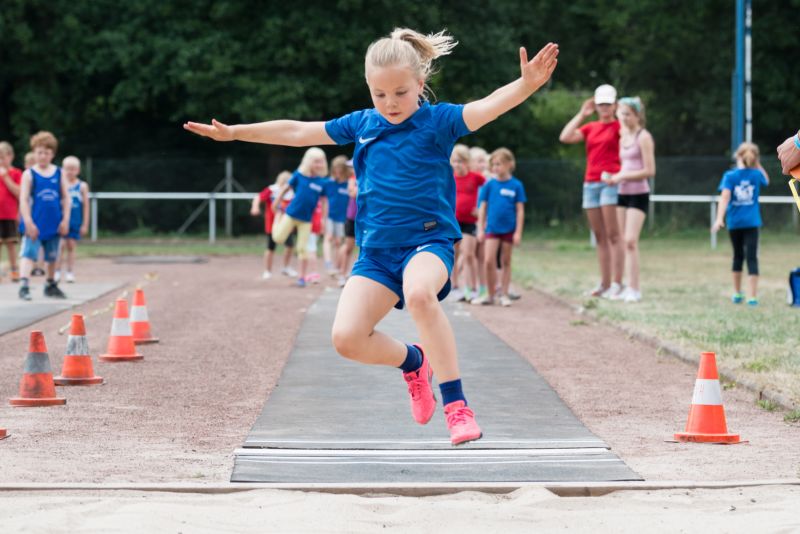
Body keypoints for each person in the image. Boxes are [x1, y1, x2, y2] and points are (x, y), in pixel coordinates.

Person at [185, 28, 558, 446]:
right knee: (346, 339)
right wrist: (236, 132)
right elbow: (297, 132)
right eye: (379, 94)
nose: (390, 103)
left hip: (427, 243)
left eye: (400, 93)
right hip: (377, 254)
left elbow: (488, 106)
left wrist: (526, 85)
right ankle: (414, 362)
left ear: (420, 83)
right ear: (368, 88)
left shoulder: (439, 122)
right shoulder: (362, 124)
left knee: (420, 294)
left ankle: (457, 406)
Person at [559, 84, 624, 298]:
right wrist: (582, 114)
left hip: (611, 183)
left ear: (614, 105)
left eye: (608, 104)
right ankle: (604, 283)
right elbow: (565, 137)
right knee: (599, 236)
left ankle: (617, 284)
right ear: (595, 105)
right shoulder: (591, 127)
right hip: (590, 184)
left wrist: (621, 115)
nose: (604, 108)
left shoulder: (620, 126)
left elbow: (631, 138)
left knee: (614, 235)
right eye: (601, 104)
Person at [602, 97, 655, 303]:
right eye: (622, 114)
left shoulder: (644, 137)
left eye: (628, 114)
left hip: (638, 194)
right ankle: (625, 286)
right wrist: (613, 177)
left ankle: (635, 288)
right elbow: (625, 166)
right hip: (622, 192)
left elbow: (649, 170)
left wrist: (623, 176)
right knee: (623, 241)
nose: (624, 118)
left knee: (631, 241)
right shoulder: (623, 136)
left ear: (637, 116)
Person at [712, 142, 769, 306]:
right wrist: (757, 163)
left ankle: (737, 293)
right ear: (755, 158)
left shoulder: (730, 176)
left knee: (737, 256)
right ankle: (752, 297)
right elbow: (766, 180)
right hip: (752, 222)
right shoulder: (756, 174)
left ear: (738, 156)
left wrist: (719, 218)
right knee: (752, 258)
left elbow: (724, 198)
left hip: (735, 222)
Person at [18, 131, 70, 300]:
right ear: (34, 153)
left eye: (46, 153)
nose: (42, 156)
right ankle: (24, 285)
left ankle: (50, 284)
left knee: (53, 255)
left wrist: (65, 220)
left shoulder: (59, 173)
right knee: (29, 253)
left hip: (54, 222)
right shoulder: (29, 174)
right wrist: (28, 221)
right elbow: (23, 199)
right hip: (35, 223)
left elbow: (66, 198)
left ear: (52, 154)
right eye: (39, 152)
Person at [473, 148, 526, 307]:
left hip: (509, 229)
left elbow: (520, 210)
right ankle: (490, 295)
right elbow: (482, 208)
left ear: (510, 164)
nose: (495, 167)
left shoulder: (516, 185)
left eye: (499, 164)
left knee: (506, 261)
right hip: (492, 229)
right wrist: (480, 229)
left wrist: (518, 232)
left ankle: (504, 294)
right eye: (494, 164)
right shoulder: (489, 185)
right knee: (489, 260)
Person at [269, 147, 329, 288]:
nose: (319, 164)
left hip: (306, 220)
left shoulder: (322, 182)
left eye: (321, 161)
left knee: (303, 249)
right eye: (316, 161)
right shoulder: (299, 175)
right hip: (291, 214)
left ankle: (301, 278)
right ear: (308, 162)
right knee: (278, 238)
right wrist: (277, 202)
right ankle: (278, 216)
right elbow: (285, 188)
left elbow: (324, 202)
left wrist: (323, 220)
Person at [450, 144, 484, 302]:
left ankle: (471, 288)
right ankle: (455, 286)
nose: (457, 165)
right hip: (453, 221)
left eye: (461, 161)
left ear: (467, 162)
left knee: (469, 254)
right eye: (455, 161)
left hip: (470, 222)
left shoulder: (476, 177)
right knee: (454, 254)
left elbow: (489, 192)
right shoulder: (450, 178)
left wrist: (481, 208)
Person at [250, 170, 296, 280]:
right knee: (270, 248)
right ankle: (267, 271)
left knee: (290, 246)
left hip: (286, 224)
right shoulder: (272, 190)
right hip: (272, 225)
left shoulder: (292, 193)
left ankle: (286, 267)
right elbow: (258, 197)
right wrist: (255, 207)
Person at [54, 156, 89, 283]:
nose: (70, 171)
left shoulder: (82, 186)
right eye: (67, 169)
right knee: (59, 247)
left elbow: (86, 206)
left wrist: (85, 224)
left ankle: (70, 272)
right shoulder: (59, 184)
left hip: (75, 221)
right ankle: (57, 271)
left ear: (78, 170)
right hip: (61, 221)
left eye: (73, 169)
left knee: (71, 246)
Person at [323, 155, 351, 278]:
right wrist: (322, 218)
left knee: (338, 243)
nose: (338, 171)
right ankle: (328, 263)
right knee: (328, 238)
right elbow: (323, 199)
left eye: (340, 168)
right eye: (335, 168)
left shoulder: (349, 183)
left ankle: (336, 267)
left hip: (343, 218)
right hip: (330, 216)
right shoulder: (329, 183)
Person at [0, 141, 23, 283]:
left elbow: (19, 192)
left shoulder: (16, 173)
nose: (1, 161)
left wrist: (6, 177)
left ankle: (14, 270)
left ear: (11, 156)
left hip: (9, 215)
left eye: (3, 157)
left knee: (10, 244)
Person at [337, 162, 358, 287]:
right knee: (348, 247)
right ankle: (342, 274)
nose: (351, 169)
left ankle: (350, 273)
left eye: (352, 167)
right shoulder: (353, 179)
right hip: (352, 218)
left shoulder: (367, 177)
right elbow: (352, 193)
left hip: (365, 218)